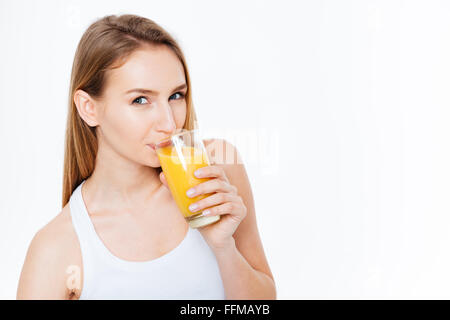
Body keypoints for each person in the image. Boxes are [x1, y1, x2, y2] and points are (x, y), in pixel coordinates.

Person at [16, 14, 276, 300]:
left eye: (176, 96)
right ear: (88, 108)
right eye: (140, 100)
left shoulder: (216, 171)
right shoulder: (56, 249)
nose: (169, 122)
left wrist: (223, 246)